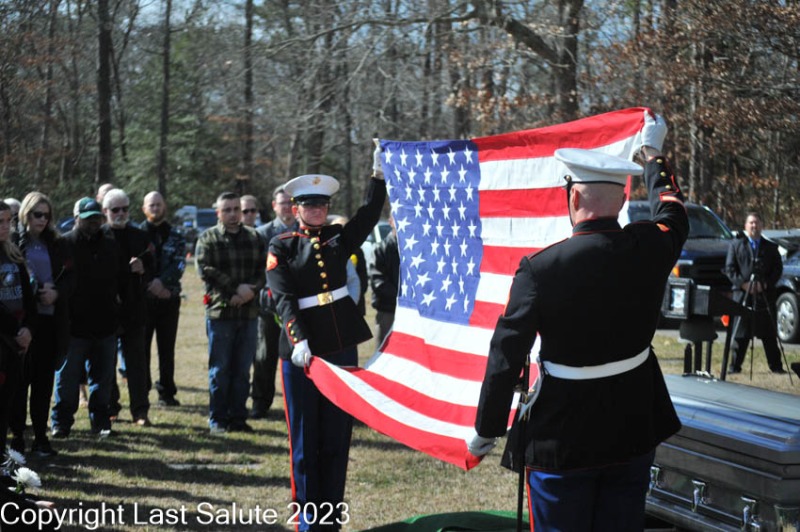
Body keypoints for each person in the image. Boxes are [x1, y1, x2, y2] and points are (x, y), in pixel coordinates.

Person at [468, 111, 689, 531]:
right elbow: (674, 213)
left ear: (572, 199)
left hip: (562, 436)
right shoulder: (650, 247)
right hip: (633, 424)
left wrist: (487, 428)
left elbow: (506, 354)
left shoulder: (539, 269)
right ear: (622, 201)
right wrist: (653, 155)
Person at [266, 147, 386, 531]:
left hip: (340, 345)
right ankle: (307, 520)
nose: (317, 211)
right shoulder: (282, 245)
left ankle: (331, 517)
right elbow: (283, 298)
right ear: (296, 209)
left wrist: (378, 177)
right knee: (305, 440)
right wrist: (298, 339)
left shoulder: (337, 238)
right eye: (309, 205)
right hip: (302, 353)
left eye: (322, 205)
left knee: (336, 437)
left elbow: (368, 216)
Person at [51, 197, 122, 439]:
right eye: (88, 218)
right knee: (67, 380)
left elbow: (120, 279)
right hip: (74, 326)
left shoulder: (110, 245)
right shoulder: (64, 244)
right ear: (76, 218)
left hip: (105, 325)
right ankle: (61, 423)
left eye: (97, 218)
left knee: (103, 381)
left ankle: (101, 422)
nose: (93, 222)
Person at [196, 191, 266, 434]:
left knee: (242, 371)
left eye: (237, 209)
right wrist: (235, 289)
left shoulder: (255, 238)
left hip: (248, 314)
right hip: (220, 315)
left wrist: (251, 290)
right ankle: (218, 419)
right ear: (218, 213)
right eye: (227, 210)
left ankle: (238, 417)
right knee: (220, 370)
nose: (233, 214)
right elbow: (205, 270)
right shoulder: (208, 238)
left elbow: (265, 269)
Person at [9, 193, 71, 457]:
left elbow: (69, 278)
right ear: (26, 214)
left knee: (43, 383)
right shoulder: (14, 242)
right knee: (19, 382)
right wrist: (34, 292)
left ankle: (41, 438)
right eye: (37, 214)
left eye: (46, 215)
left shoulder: (55, 243)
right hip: (23, 322)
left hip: (50, 321)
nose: (42, 220)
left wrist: (56, 293)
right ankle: (17, 437)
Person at [103, 189, 154, 426]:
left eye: (124, 209)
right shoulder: (100, 236)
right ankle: (110, 407)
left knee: (137, 364)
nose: (121, 213)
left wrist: (143, 269)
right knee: (106, 363)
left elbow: (153, 267)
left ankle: (140, 411)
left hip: (134, 309)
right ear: (105, 211)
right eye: (115, 210)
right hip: (107, 309)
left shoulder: (140, 236)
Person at [250, 186, 294, 419]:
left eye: (291, 202)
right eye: (283, 203)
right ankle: (260, 402)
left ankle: (297, 401)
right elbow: (256, 269)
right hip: (269, 306)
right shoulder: (262, 234)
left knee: (298, 355)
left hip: (297, 306)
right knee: (265, 356)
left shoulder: (303, 231)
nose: (287, 207)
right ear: (274, 206)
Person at [724, 212, 785, 374]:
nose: (754, 226)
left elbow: (778, 269)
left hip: (764, 296)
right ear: (746, 226)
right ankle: (734, 367)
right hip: (742, 295)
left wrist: (765, 284)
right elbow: (729, 269)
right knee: (741, 333)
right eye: (751, 223)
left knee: (769, 333)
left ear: (761, 226)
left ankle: (776, 366)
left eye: (757, 223)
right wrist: (743, 284)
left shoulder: (770, 247)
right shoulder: (736, 245)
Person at [141, 191, 186, 407]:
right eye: (151, 205)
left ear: (164, 207)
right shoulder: (137, 234)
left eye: (159, 204)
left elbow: (179, 263)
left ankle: (166, 392)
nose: (155, 208)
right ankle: (142, 390)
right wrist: (151, 284)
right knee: (142, 348)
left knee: (167, 349)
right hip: (143, 300)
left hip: (169, 299)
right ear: (144, 209)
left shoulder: (176, 235)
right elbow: (134, 263)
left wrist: (163, 283)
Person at [0, 201, 36, 453]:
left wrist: (28, 329)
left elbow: (29, 299)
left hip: (17, 341)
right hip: (4, 337)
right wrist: (15, 330)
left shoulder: (14, 255)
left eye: (8, 221)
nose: (5, 226)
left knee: (8, 400)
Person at [368, 217, 399, 347]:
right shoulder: (381, 248)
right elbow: (378, 282)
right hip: (388, 311)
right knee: (385, 349)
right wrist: (401, 297)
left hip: (412, 313)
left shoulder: (414, 250)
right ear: (390, 221)